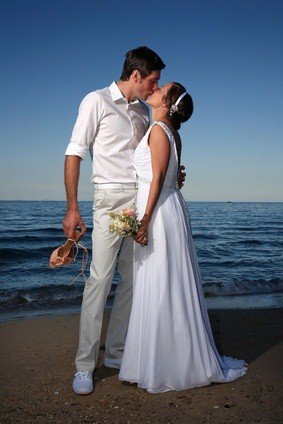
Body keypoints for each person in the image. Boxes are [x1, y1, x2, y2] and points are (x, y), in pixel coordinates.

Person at [119, 82, 248, 393]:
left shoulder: (161, 131)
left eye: (162, 87)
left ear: (167, 103)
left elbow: (160, 178)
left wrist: (144, 221)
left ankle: (170, 363)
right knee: (161, 282)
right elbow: (170, 176)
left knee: (163, 283)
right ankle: (149, 360)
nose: (155, 88)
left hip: (160, 213)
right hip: (166, 208)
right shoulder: (165, 130)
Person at [63, 46, 166, 395]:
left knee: (133, 281)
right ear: (135, 75)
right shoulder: (95, 100)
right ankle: (84, 366)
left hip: (138, 200)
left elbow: (147, 159)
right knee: (99, 281)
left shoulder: (142, 112)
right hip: (107, 200)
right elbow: (74, 152)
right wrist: (73, 208)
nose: (155, 87)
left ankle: (117, 353)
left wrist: (169, 176)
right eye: (152, 80)